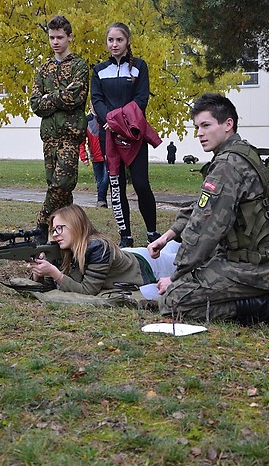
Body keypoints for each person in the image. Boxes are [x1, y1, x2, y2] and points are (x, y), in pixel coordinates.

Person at [148, 93, 269, 330]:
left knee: (173, 301)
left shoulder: (228, 165)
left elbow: (204, 229)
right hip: (265, 261)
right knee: (191, 280)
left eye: (206, 125)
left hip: (262, 268)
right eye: (197, 127)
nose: (199, 133)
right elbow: (202, 206)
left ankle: (266, 306)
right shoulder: (238, 153)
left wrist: (176, 277)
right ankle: (262, 299)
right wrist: (168, 236)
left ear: (228, 124)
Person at [91, 21, 160, 248]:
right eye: (110, 40)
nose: (114, 44)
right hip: (108, 135)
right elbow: (97, 101)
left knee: (141, 184)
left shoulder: (140, 66)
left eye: (119, 40)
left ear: (127, 41)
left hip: (133, 135)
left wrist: (119, 122)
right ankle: (125, 235)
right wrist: (110, 122)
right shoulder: (99, 71)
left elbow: (141, 100)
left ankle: (152, 232)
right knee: (116, 186)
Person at [30, 15, 89, 244]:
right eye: (52, 37)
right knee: (59, 192)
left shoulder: (79, 66)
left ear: (69, 37)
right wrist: (59, 97)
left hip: (69, 136)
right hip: (50, 137)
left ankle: (41, 224)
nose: (55, 42)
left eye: (60, 37)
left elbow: (75, 97)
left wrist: (49, 97)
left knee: (61, 184)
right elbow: (36, 104)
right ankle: (63, 235)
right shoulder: (44, 68)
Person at [28, 204, 172, 296]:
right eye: (53, 230)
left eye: (60, 228)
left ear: (76, 225)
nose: (55, 234)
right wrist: (38, 271)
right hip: (127, 255)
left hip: (148, 265)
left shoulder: (98, 247)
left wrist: (54, 272)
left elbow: (88, 290)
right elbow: (49, 287)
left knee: (180, 259)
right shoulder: (63, 248)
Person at [79, 105, 109, 207]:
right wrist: (84, 157)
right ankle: (102, 200)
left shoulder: (106, 116)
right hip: (95, 156)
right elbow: (81, 141)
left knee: (106, 179)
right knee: (100, 180)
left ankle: (101, 200)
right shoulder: (87, 120)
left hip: (107, 155)